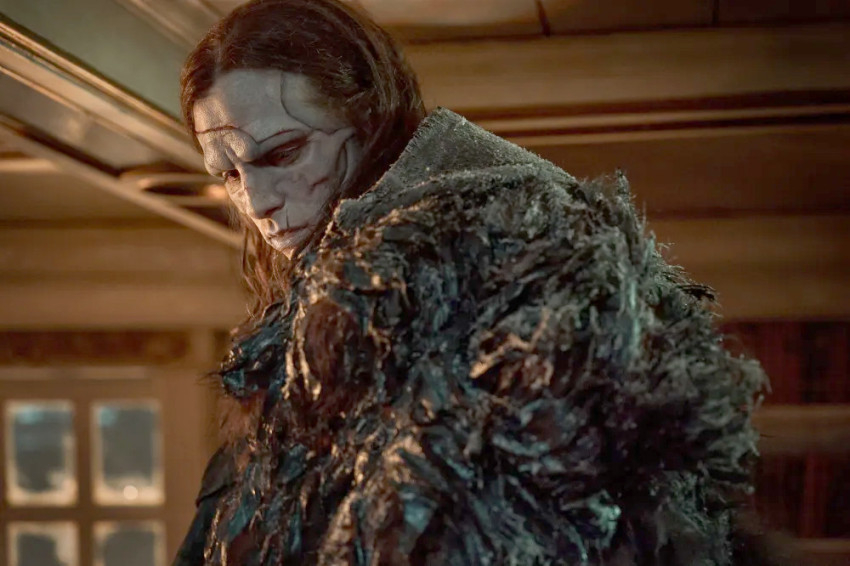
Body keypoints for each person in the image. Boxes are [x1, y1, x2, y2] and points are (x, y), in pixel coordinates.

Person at [173, 1, 782, 564]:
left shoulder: (496, 257)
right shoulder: (352, 285)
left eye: (283, 153)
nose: (256, 201)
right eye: (229, 174)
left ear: (365, 118)